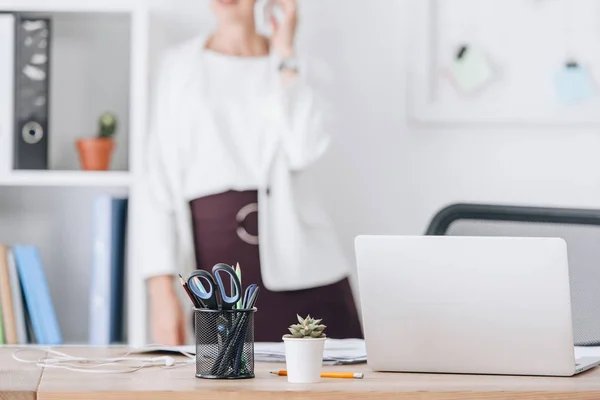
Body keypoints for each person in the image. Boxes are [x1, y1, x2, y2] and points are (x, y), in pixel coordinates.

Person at [136, 0, 362, 345]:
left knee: (331, 387)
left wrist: (285, 51)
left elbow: (304, 148)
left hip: (300, 263)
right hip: (218, 272)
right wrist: (159, 288)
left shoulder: (294, 64)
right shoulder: (177, 65)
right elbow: (156, 181)